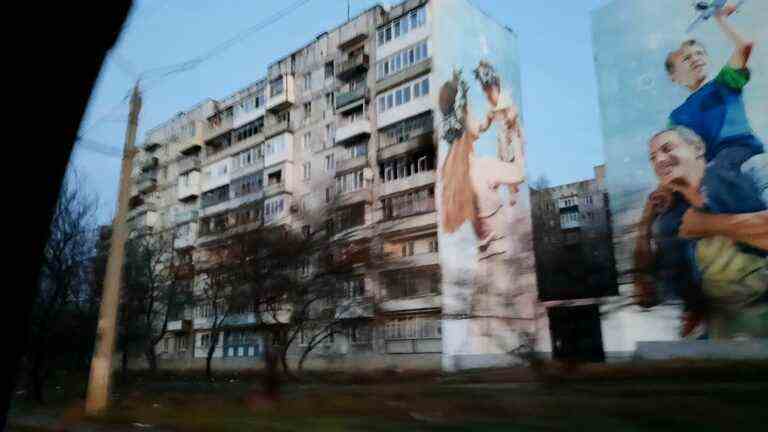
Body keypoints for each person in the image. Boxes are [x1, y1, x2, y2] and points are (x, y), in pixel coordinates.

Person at [634, 2, 766, 318]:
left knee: (718, 176)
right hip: (703, 170)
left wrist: (720, 17)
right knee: (670, 224)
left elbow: (745, 46)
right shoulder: (677, 116)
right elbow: (673, 157)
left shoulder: (723, 85)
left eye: (699, 55)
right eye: (686, 59)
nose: (695, 60)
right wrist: (662, 197)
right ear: (675, 77)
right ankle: (693, 301)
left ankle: (754, 250)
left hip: (738, 153)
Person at [646, 126, 768, 338]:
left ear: (697, 148)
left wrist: (709, 224)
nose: (659, 160)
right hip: (730, 337)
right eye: (653, 157)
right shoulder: (670, 223)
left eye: (667, 149)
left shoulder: (745, 171)